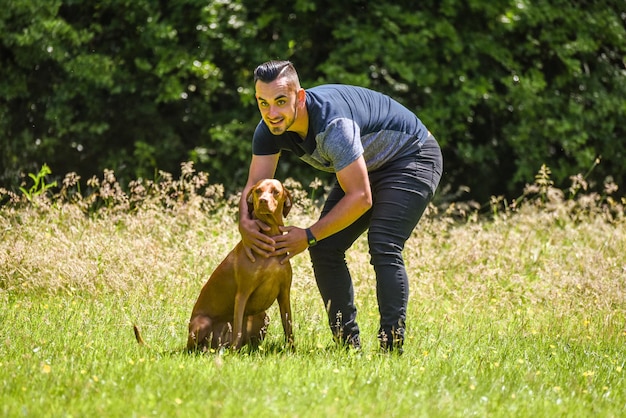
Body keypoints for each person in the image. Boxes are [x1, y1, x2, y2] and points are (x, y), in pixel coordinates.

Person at [238, 60, 443, 353]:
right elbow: (254, 184)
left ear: (300, 97)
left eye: (280, 102)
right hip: (367, 164)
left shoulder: (334, 126)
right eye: (263, 103)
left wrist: (307, 235)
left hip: (412, 155)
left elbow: (360, 197)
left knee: (383, 243)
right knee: (325, 249)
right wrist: (244, 224)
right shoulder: (268, 128)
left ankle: (390, 348)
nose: (271, 113)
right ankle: (347, 347)